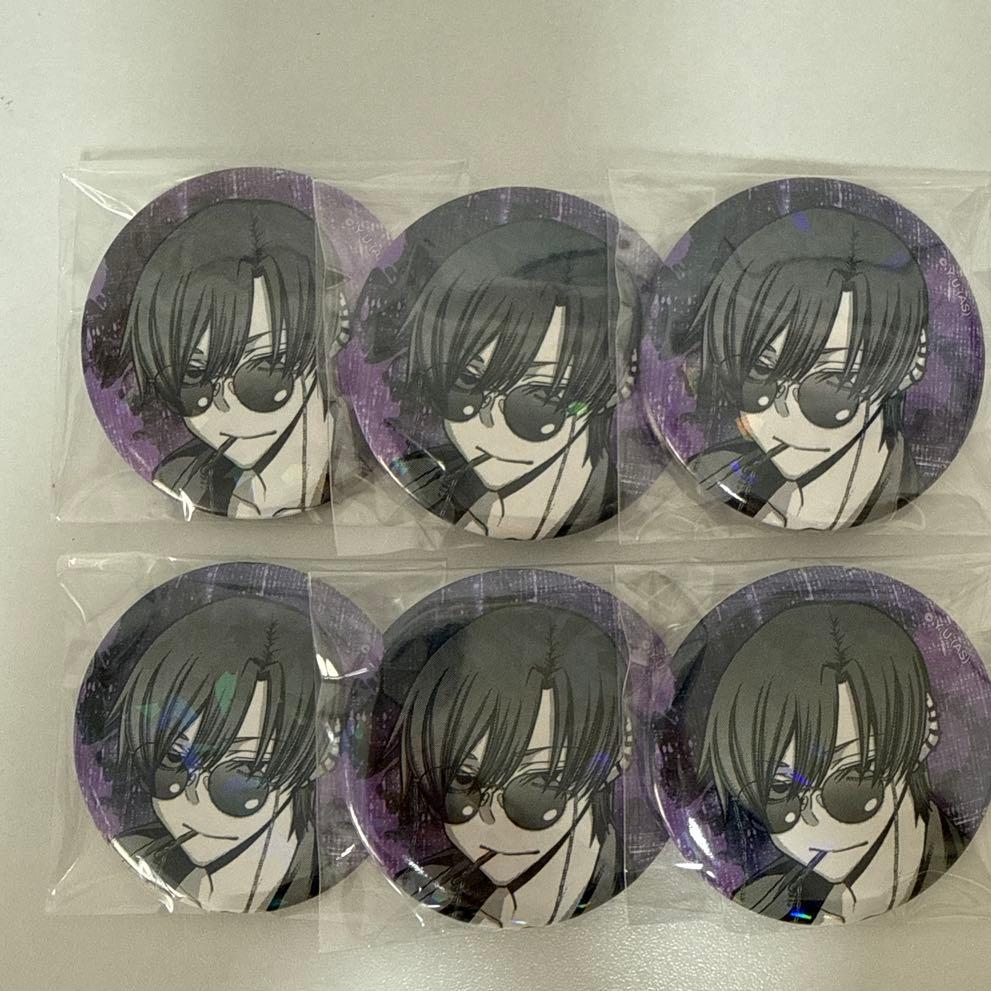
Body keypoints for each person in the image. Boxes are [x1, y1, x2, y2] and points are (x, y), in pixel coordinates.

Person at [698, 601, 964, 923]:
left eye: (852, 780)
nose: (814, 821)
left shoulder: (963, 874)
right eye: (781, 791)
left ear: (923, 731)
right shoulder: (765, 901)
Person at [375, 219, 637, 539]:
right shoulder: (444, 488)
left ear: (614, 385)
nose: (487, 423)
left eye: (537, 399)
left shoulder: (608, 502)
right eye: (466, 383)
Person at [687, 208, 929, 529]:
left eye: (829, 384)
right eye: (760, 373)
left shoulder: (915, 501)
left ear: (912, 361)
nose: (783, 411)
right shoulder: (714, 474)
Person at [387, 604, 628, 926]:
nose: (489, 818)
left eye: (537, 784)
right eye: (464, 780)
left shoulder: (619, 884)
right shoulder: (433, 885)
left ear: (616, 758)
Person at [116, 199, 350, 517]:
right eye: (194, 377)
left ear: (336, 324)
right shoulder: (183, 478)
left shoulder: (359, 462)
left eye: (263, 371)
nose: (225, 406)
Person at [107, 595, 342, 912]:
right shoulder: (143, 855)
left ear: (323, 754)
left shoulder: (326, 861)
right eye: (173, 760)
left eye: (241, 772)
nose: (193, 800)